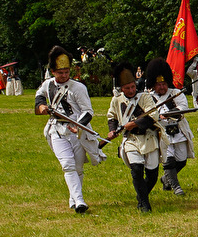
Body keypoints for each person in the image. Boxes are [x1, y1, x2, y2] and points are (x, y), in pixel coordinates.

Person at [34, 45, 103, 213]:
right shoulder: (47, 84)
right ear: (52, 71)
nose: (64, 75)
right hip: (57, 130)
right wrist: (42, 107)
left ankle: (73, 197)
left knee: (78, 168)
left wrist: (78, 126)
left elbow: (88, 111)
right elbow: (39, 99)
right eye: (60, 72)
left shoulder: (79, 88)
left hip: (77, 130)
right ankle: (79, 201)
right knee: (67, 165)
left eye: (66, 72)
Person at [106, 62, 164, 212]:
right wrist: (112, 130)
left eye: (132, 87)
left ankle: (141, 197)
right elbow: (112, 117)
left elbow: (153, 116)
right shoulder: (116, 100)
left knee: (152, 175)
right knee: (137, 170)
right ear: (121, 88)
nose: (131, 90)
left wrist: (134, 123)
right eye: (127, 88)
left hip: (149, 137)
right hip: (130, 139)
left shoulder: (144, 97)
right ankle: (145, 205)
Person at [146, 59, 196, 195]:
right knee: (168, 160)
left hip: (178, 131)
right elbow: (149, 114)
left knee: (181, 160)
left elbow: (182, 109)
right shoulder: (148, 98)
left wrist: (169, 114)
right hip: (162, 133)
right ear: (153, 85)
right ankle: (176, 187)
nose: (162, 87)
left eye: (164, 84)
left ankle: (166, 179)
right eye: (158, 84)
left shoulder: (176, 94)